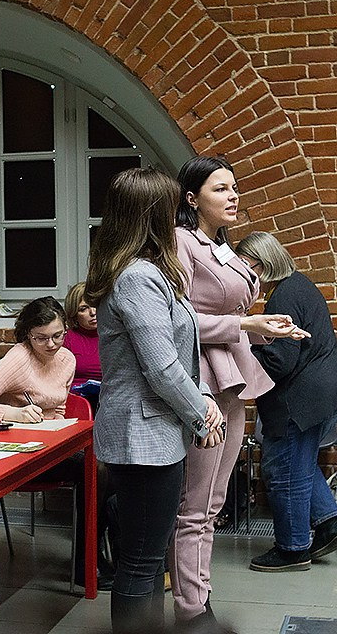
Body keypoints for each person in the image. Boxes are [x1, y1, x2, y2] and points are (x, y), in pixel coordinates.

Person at [85, 166, 223, 634]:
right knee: (142, 564)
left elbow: (185, 352)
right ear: (152, 215)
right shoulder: (136, 277)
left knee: (147, 561)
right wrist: (203, 413)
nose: (180, 215)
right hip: (142, 435)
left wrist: (202, 399)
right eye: (172, 208)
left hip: (155, 432)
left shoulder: (150, 272)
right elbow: (162, 368)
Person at [171, 156, 306, 631]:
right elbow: (178, 321)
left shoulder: (222, 246)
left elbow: (236, 319)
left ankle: (200, 595)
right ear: (193, 198)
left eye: (234, 188)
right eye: (221, 189)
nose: (233, 196)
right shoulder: (181, 242)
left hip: (234, 378)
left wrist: (266, 329)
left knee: (213, 502)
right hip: (203, 382)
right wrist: (244, 323)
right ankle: (190, 609)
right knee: (194, 505)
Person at [0, 296, 113, 590]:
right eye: (41, 338)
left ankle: (89, 557)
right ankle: (87, 562)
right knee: (97, 472)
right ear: (28, 335)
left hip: (51, 444)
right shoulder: (19, 357)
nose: (51, 345)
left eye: (58, 336)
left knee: (106, 471)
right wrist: (13, 412)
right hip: (19, 451)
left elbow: (59, 409)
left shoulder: (66, 359)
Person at [233, 232, 337, 572]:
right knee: (299, 463)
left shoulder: (283, 296)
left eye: (245, 266)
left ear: (262, 264)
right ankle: (327, 523)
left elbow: (280, 361)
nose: (242, 274)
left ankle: (293, 548)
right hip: (326, 387)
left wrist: (240, 347)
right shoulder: (299, 285)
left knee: (284, 469)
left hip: (303, 395)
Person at [63, 281, 101, 410]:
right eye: (83, 309)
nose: (93, 312)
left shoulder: (114, 335)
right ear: (74, 314)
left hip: (110, 399)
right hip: (77, 402)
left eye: (95, 305)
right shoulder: (66, 339)